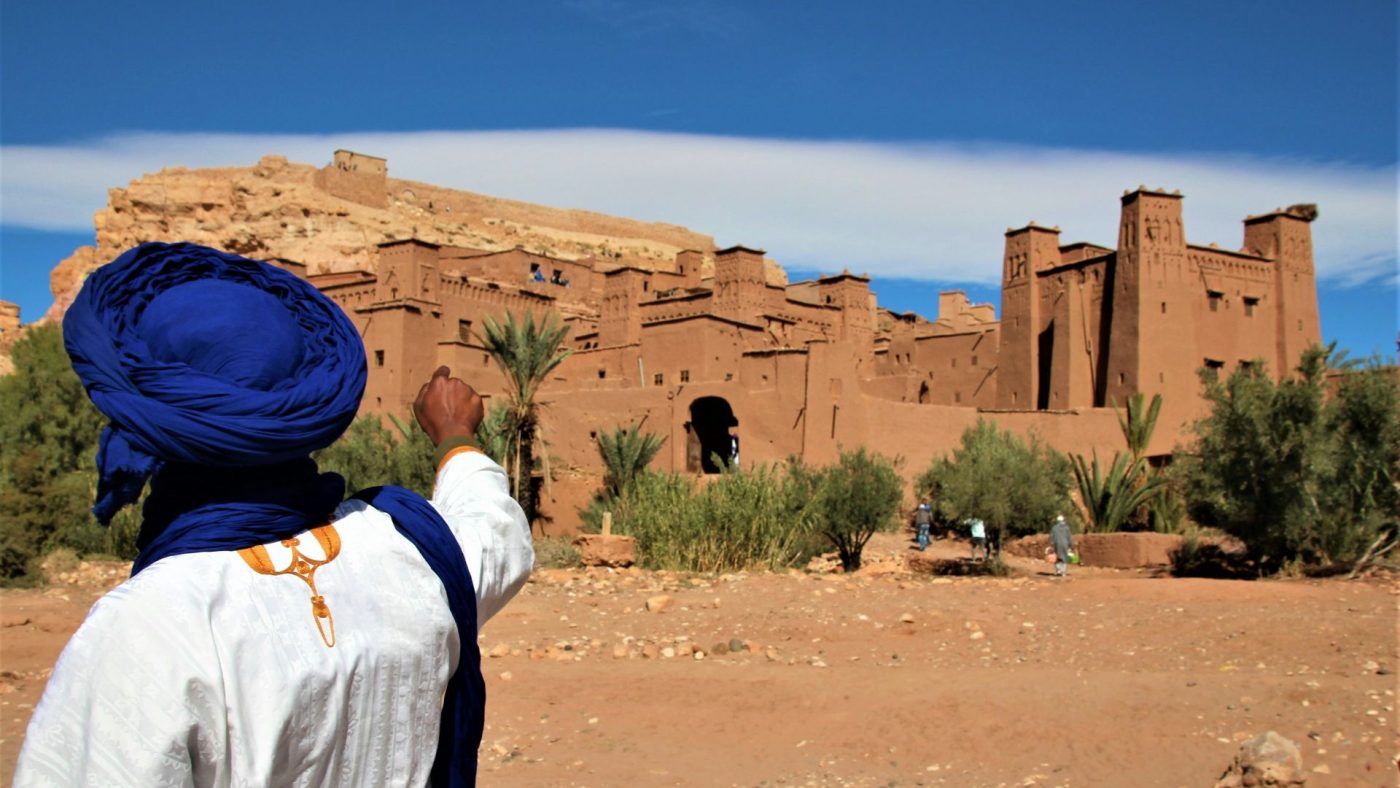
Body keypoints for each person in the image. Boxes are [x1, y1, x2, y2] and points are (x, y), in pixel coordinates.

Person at [15, 242, 533, 786]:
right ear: (305, 399)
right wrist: (455, 436)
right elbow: (494, 538)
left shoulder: (150, 627)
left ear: (144, 421)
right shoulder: (413, 557)